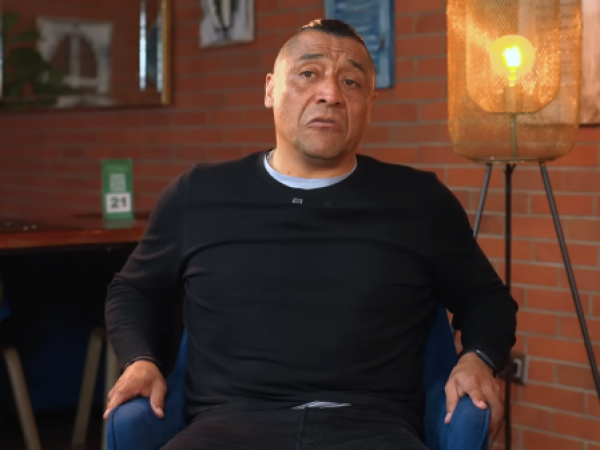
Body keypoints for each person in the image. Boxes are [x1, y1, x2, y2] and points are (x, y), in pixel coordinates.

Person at [104, 19, 518, 450]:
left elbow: (487, 299)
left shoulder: (419, 201)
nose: (330, 94)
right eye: (308, 74)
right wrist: (140, 360)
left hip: (374, 429)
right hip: (225, 427)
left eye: (351, 82)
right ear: (270, 89)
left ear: (369, 103)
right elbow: (133, 290)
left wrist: (477, 358)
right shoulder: (199, 194)